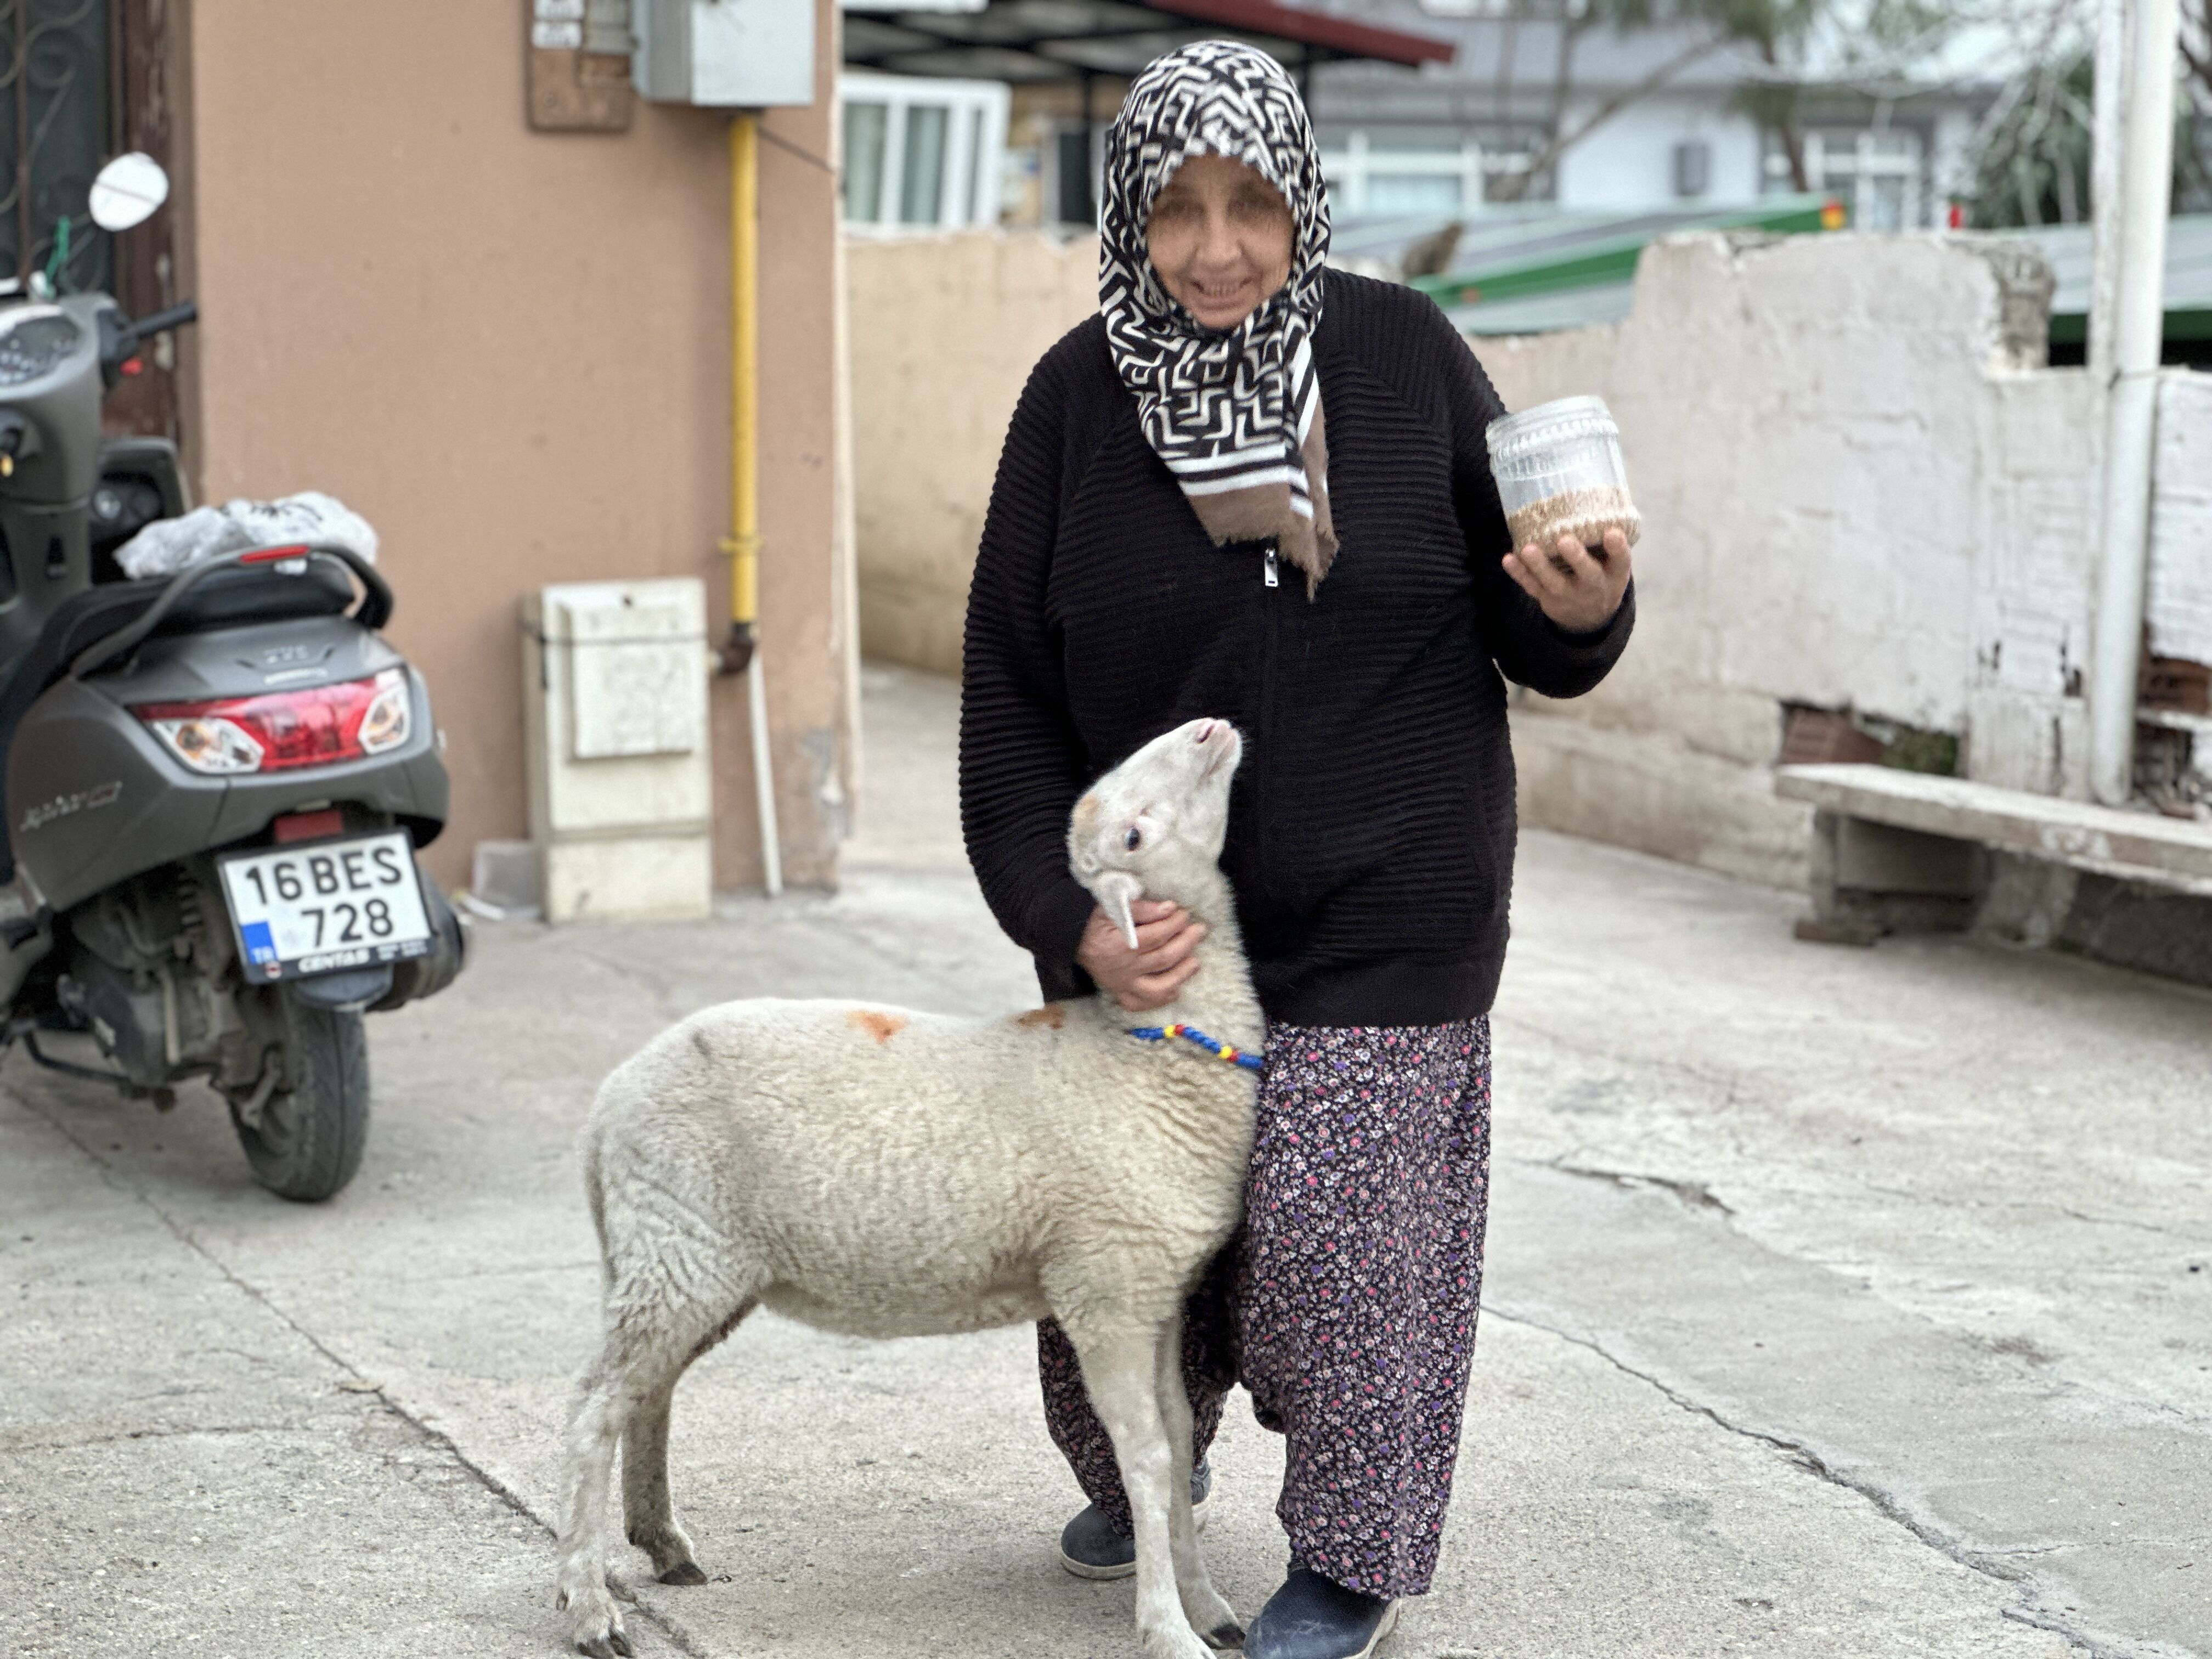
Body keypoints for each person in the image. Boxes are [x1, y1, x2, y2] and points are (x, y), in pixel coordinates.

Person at [958, 39, 1634, 1659]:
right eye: (1176, 205)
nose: (1215, 246)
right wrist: (1069, 920)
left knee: (1348, 1263)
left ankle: (1347, 1555)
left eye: (1252, 202)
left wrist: (1594, 612)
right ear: (1126, 209)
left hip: (1385, 914)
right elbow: (1006, 701)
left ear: (1304, 199)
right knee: (1124, 1261)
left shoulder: (1403, 358)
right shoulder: (1070, 399)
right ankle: (1145, 1475)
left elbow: (1536, 621)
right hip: (1158, 939)